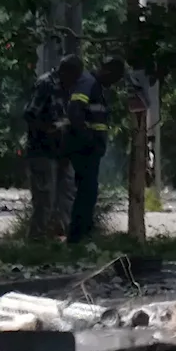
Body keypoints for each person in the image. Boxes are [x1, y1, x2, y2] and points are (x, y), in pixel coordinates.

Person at [66, 56, 126, 244]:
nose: (113, 83)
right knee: (86, 191)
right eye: (114, 78)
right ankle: (77, 237)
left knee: (89, 191)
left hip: (91, 148)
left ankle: (85, 233)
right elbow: (75, 111)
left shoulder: (97, 87)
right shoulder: (88, 83)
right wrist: (88, 138)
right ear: (107, 71)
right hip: (84, 148)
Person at [24, 56, 84, 241]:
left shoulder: (70, 88)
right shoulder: (46, 84)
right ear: (65, 72)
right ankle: (36, 240)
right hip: (42, 151)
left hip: (62, 152)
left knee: (67, 196)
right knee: (45, 199)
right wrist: (49, 130)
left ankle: (66, 237)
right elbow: (30, 115)